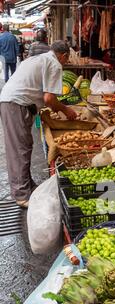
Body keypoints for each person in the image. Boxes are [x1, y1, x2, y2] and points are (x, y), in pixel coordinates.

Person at [0, 41, 77, 209]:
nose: (66, 62)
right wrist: (65, 110)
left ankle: (27, 186)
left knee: (25, 145)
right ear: (63, 56)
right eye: (67, 59)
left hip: (13, 102)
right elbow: (49, 99)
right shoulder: (54, 64)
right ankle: (21, 195)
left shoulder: (38, 59)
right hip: (15, 104)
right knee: (19, 149)